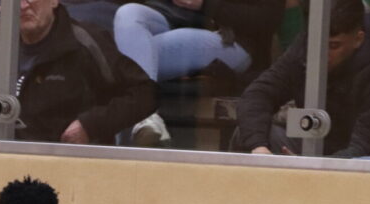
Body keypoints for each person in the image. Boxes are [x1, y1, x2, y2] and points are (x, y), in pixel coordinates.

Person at [0, 0, 157, 145]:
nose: (23, 6)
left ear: (54, 2)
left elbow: (144, 93)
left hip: (56, 152)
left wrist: (90, 125)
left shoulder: (84, 41)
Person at [235, 0, 370, 157]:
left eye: (334, 46)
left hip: (355, 160)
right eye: (317, 43)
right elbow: (258, 94)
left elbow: (366, 145)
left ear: (358, 39)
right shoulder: (305, 47)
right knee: (249, 133)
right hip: (309, 144)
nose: (322, 53)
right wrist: (259, 148)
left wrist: (312, 167)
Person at [113, 0, 285, 145]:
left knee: (126, 57)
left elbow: (267, 19)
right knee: (128, 12)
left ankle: (140, 117)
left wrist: (205, 4)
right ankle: (144, 120)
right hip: (174, 20)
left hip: (232, 41)